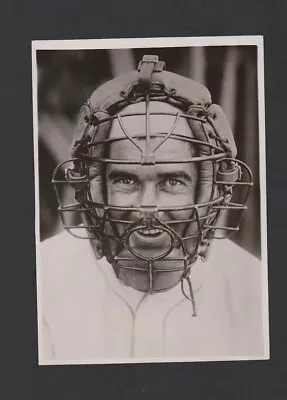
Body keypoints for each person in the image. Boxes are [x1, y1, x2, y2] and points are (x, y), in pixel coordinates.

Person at [40, 55, 264, 363]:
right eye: (126, 180)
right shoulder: (42, 280)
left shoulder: (254, 290)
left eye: (172, 182)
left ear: (208, 186)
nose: (148, 207)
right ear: (94, 186)